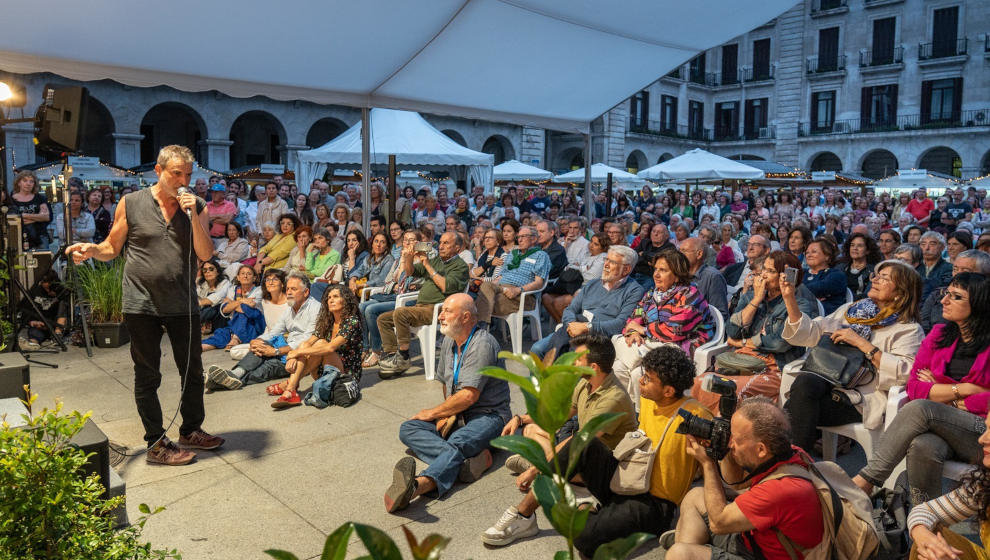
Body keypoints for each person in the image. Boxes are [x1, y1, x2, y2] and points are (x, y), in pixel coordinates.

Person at [66, 145, 224, 465]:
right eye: (176, 173)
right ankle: (155, 443)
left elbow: (206, 254)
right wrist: (92, 250)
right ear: (159, 170)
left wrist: (193, 215)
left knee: (192, 370)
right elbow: (112, 246)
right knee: (148, 374)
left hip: (181, 301)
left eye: (188, 175)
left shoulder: (197, 206)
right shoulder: (132, 203)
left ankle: (191, 429)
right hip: (141, 302)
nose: (183, 180)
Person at [490, 346, 712, 556]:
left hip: (653, 504)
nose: (641, 381)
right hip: (626, 476)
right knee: (582, 442)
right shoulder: (649, 400)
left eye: (648, 379)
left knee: (583, 540)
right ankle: (524, 515)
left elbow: (713, 468)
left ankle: (589, 507)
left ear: (669, 390)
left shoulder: (696, 415)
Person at [482, 333, 640, 546]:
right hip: (579, 455)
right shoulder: (587, 383)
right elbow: (562, 412)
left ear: (592, 367)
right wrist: (520, 419)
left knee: (553, 467)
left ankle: (524, 515)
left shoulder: (613, 399)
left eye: (578, 360)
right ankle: (557, 476)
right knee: (532, 429)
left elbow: (579, 444)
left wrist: (535, 470)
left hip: (606, 470)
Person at [850, 272, 990, 504]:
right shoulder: (939, 335)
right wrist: (963, 390)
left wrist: (939, 392)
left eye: (956, 297)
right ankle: (925, 525)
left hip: (981, 431)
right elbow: (914, 387)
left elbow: (983, 401)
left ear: (979, 303)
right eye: (947, 293)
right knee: (922, 446)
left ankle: (867, 480)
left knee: (921, 409)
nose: (944, 300)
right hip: (943, 426)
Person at [780, 259, 925, 453]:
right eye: (876, 275)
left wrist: (861, 342)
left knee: (795, 404)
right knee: (805, 386)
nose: (875, 280)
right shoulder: (854, 312)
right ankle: (794, 463)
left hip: (860, 398)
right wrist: (789, 298)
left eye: (884, 278)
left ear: (900, 293)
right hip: (825, 383)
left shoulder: (908, 329)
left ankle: (790, 463)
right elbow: (811, 333)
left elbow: (906, 374)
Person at [384, 294, 509, 512]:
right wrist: (447, 414)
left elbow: (469, 396)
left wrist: (433, 413)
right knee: (408, 428)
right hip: (459, 412)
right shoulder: (451, 339)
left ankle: (416, 487)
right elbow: (447, 385)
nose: (440, 316)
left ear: (466, 316)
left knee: (458, 440)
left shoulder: (482, 344)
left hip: (489, 416)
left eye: (447, 311)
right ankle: (465, 465)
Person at [665, 398, 824, 560]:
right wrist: (723, 449)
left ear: (760, 449)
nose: (730, 443)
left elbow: (718, 523)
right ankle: (693, 544)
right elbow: (736, 482)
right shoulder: (791, 454)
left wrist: (707, 464)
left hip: (762, 555)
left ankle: (691, 546)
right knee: (695, 496)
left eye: (735, 439)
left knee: (679, 554)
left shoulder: (780, 489)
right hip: (754, 540)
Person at [694, 251, 818, 410]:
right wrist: (756, 300)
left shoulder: (799, 304)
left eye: (771, 271)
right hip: (740, 360)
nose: (764, 275)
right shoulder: (751, 296)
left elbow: (780, 343)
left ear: (786, 276)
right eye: (764, 269)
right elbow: (731, 331)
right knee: (700, 383)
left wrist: (742, 342)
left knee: (730, 392)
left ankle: (731, 434)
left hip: (773, 366)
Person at [615, 250, 715, 403]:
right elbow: (633, 319)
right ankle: (624, 411)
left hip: (681, 348)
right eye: (656, 269)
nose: (656, 274)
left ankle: (640, 417)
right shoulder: (651, 294)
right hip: (654, 344)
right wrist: (633, 332)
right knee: (618, 368)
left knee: (638, 374)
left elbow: (675, 331)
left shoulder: (690, 294)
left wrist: (642, 330)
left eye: (663, 270)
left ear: (677, 273)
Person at [206, 272, 320, 391]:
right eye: (288, 289)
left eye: (294, 289)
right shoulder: (290, 308)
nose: (289, 292)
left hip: (301, 357)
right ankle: (235, 374)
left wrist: (276, 351)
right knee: (260, 347)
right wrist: (257, 340)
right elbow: (275, 331)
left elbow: (307, 339)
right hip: (285, 349)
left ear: (306, 292)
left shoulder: (315, 308)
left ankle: (227, 381)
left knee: (268, 367)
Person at [377, 232, 469, 376]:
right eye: (441, 243)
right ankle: (392, 356)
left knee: (401, 313)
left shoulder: (460, 266)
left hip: (438, 309)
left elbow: (446, 286)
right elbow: (410, 272)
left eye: (446, 243)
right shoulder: (437, 260)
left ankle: (404, 356)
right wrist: (408, 257)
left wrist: (426, 264)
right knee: (383, 319)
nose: (441, 246)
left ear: (457, 247)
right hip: (420, 307)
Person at [529, 246, 644, 360]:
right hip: (574, 328)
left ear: (626, 269)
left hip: (598, 336)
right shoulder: (593, 284)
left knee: (571, 358)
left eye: (612, 262)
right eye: (606, 260)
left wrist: (586, 327)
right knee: (537, 349)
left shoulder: (634, 290)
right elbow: (570, 309)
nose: (606, 265)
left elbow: (620, 324)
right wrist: (572, 325)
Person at [905, 413, 990, 560]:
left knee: (920, 412)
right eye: (987, 428)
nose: (982, 439)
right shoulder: (985, 484)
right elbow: (924, 511)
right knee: (929, 543)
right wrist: (921, 534)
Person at [270, 283, 364, 408]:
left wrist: (297, 353)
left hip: (345, 374)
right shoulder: (327, 321)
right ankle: (292, 388)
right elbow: (307, 343)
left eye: (335, 297)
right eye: (329, 298)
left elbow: (330, 348)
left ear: (345, 300)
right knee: (306, 345)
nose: (331, 300)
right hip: (323, 370)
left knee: (321, 344)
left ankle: (290, 385)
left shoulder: (352, 321)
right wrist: (293, 356)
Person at [541, 233, 609, 323]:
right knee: (546, 297)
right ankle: (561, 325)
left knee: (558, 302)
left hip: (586, 289)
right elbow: (570, 264)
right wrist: (583, 268)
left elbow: (591, 277)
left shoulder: (603, 257)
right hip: (571, 285)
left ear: (603, 247)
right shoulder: (587, 254)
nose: (591, 245)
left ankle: (569, 329)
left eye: (596, 244)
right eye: (591, 242)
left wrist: (578, 268)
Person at [920, 250, 990, 332]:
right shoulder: (938, 294)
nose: (958, 274)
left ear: (985, 274)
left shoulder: (985, 300)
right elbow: (924, 326)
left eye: (965, 271)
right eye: (955, 269)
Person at [201, 265, 264, 352]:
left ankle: (236, 338)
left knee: (244, 309)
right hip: (234, 325)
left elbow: (250, 306)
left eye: (249, 274)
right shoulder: (233, 289)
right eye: (242, 273)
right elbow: (224, 310)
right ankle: (199, 347)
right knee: (222, 334)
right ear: (238, 277)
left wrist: (231, 303)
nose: (245, 276)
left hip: (254, 325)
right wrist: (242, 300)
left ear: (254, 278)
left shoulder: (259, 290)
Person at [17, 269, 69, 350]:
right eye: (46, 287)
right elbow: (24, 309)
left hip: (55, 324)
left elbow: (64, 311)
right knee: (34, 333)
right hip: (40, 325)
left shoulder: (61, 290)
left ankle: (58, 335)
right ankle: (33, 344)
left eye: (50, 286)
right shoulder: (35, 291)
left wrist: (56, 293)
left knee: (63, 304)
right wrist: (32, 322)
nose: (48, 291)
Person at [680, 236, 729, 319]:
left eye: (684, 251)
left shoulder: (713, 277)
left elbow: (720, 315)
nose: (679, 255)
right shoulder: (678, 273)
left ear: (699, 254)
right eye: (679, 250)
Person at [802, 237, 847, 315]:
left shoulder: (837, 275)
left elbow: (817, 288)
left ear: (827, 256)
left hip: (827, 320)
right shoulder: (802, 273)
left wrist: (795, 292)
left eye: (814, 252)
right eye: (807, 252)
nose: (809, 255)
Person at [8, 170, 51, 250]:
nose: (28, 184)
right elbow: (14, 220)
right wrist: (37, 218)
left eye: (31, 181)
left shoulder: (40, 198)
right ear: (18, 183)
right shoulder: (12, 200)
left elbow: (46, 217)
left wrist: (24, 216)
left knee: (43, 260)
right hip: (19, 238)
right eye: (25, 181)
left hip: (40, 238)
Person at [347, 232, 394, 298]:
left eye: (382, 242)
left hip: (378, 293)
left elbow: (380, 281)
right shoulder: (368, 258)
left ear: (386, 246)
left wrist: (360, 285)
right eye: (376, 241)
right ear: (372, 244)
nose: (378, 245)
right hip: (363, 291)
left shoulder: (389, 259)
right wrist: (352, 280)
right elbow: (359, 271)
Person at [197, 258, 231, 334]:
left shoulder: (225, 283)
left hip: (220, 316)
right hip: (205, 313)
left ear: (218, 271)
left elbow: (218, 297)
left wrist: (197, 303)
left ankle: (195, 322)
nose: (208, 272)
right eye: (205, 270)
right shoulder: (202, 284)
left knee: (215, 307)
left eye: (211, 269)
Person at [919, 231, 954, 300]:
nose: (926, 248)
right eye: (923, 244)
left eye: (932, 244)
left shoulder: (949, 268)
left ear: (943, 247)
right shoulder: (915, 266)